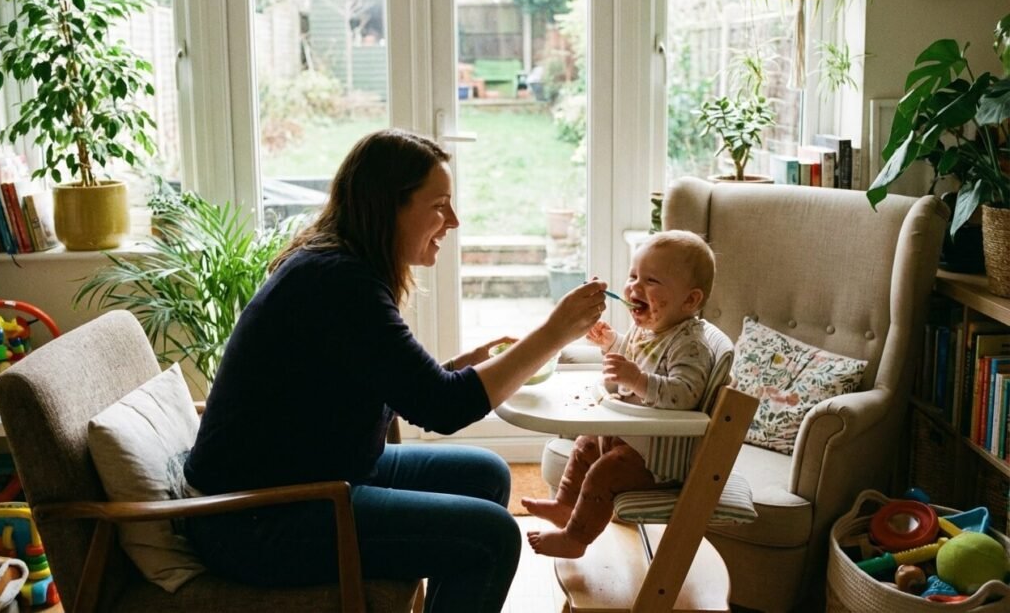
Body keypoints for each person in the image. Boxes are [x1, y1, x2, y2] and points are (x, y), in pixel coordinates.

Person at [182, 128, 607, 613]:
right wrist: (555, 332)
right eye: (440, 205)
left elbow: (375, 385)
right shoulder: (339, 282)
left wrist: (458, 368)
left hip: (315, 478)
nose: (454, 221)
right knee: (492, 535)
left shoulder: (337, 267)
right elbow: (445, 408)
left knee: (485, 475)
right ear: (390, 205)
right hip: (257, 519)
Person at [522, 230, 719, 559]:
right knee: (586, 443)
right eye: (633, 276)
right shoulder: (650, 329)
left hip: (659, 458)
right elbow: (631, 362)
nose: (634, 287)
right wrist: (611, 344)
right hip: (634, 438)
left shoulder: (691, 345)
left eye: (651, 280)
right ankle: (565, 504)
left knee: (604, 473)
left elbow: (684, 394)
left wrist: (640, 380)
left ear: (690, 300)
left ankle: (575, 538)